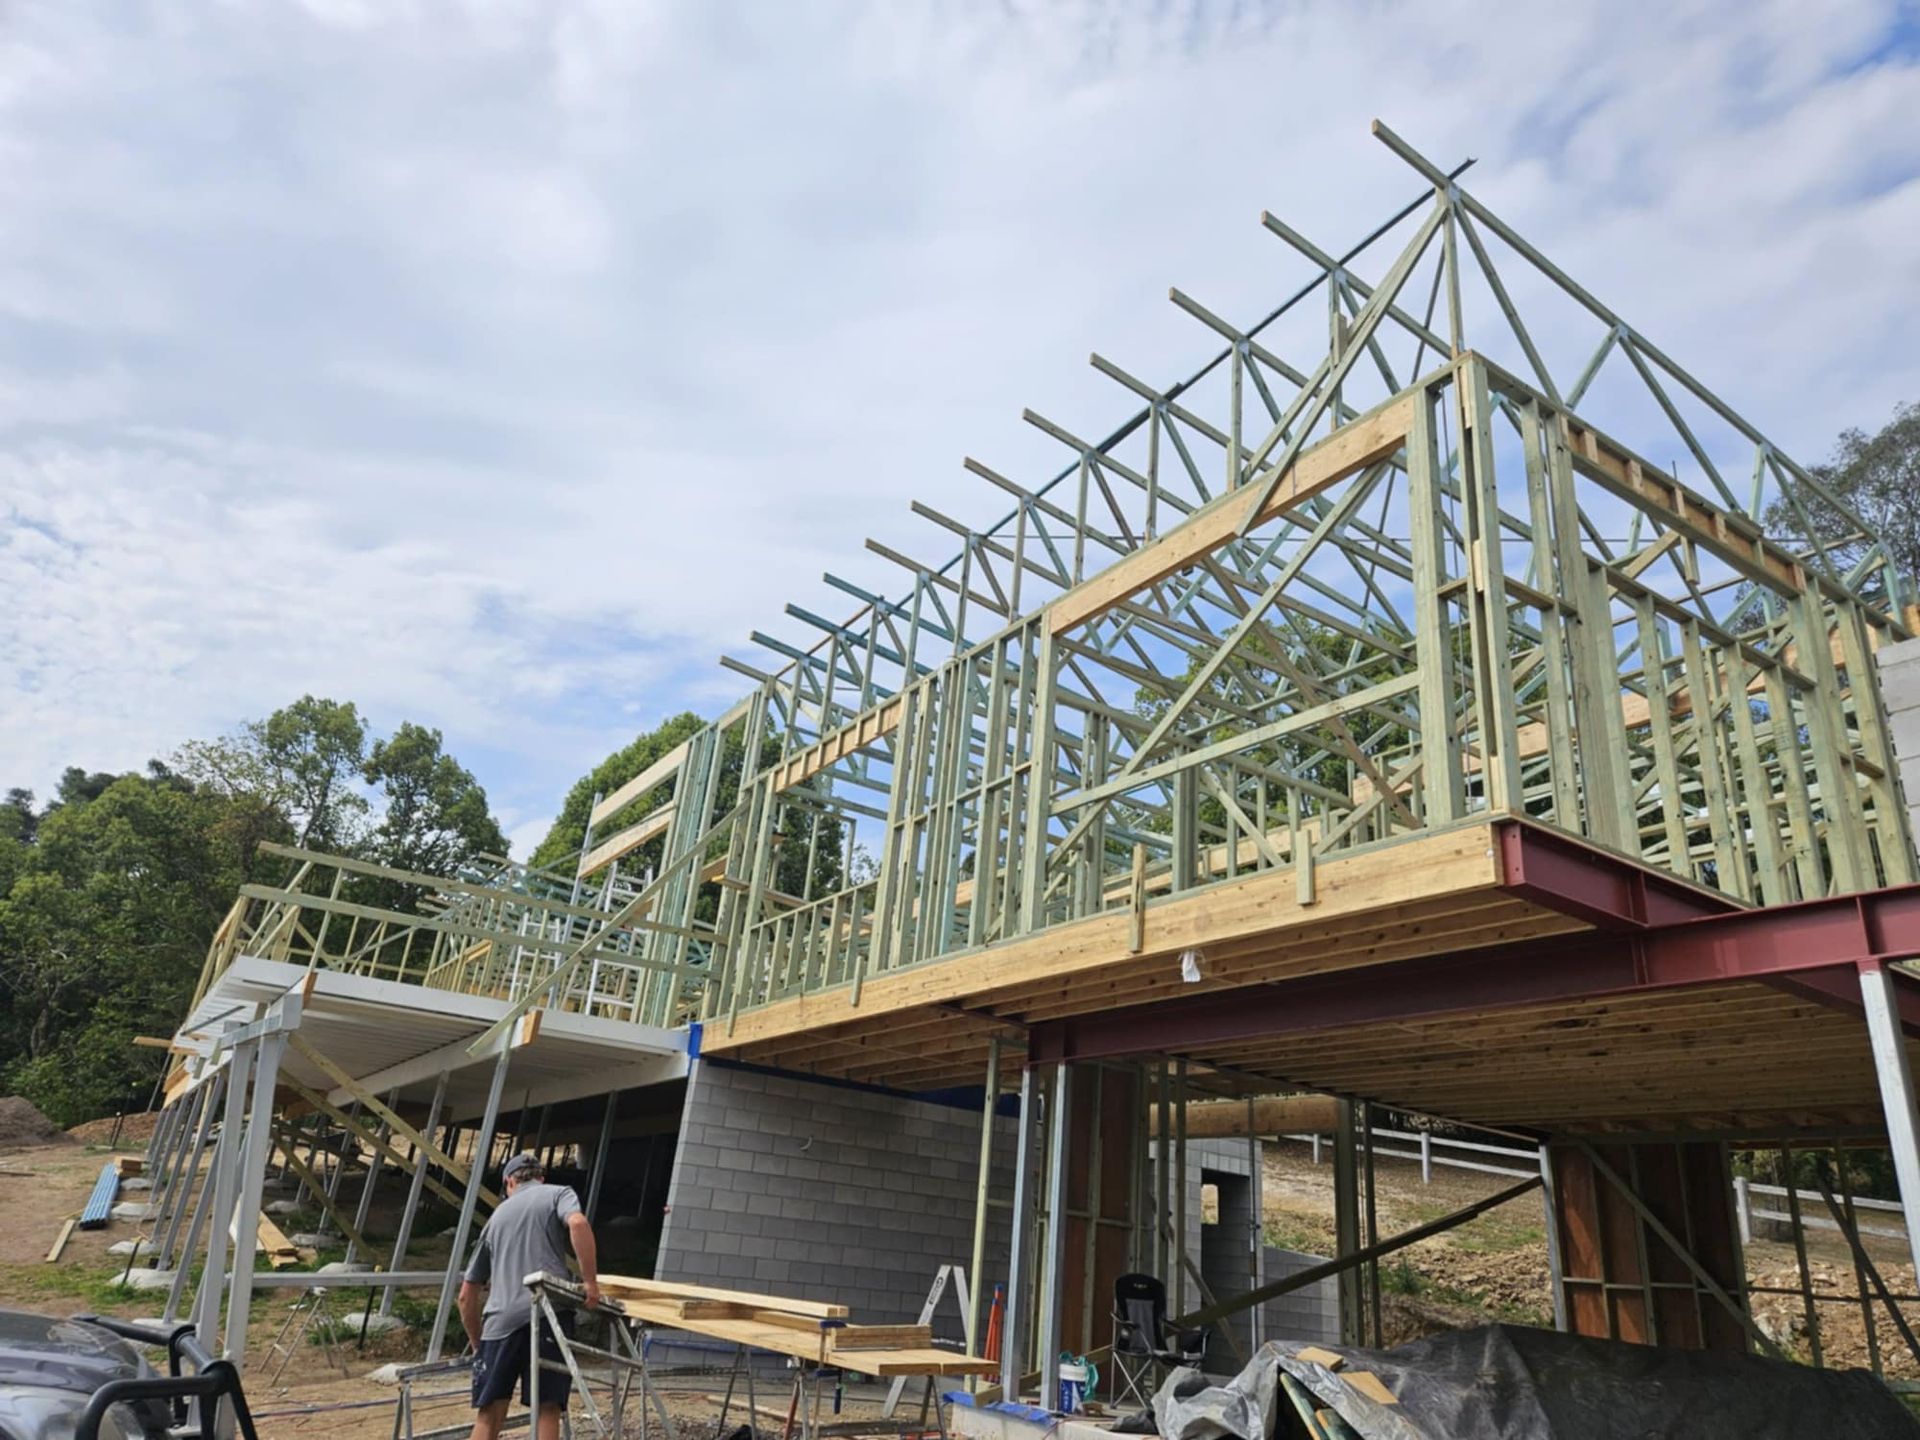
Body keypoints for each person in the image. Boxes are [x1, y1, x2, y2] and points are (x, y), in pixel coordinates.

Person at [458, 1152, 602, 1440]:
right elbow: (578, 1224)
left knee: (490, 1412)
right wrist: (589, 1281)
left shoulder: (496, 1218)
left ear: (509, 1182)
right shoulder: (558, 1194)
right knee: (547, 1407)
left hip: (501, 1323)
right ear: (541, 1177)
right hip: (549, 1313)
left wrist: (478, 1346)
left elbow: (466, 1295)